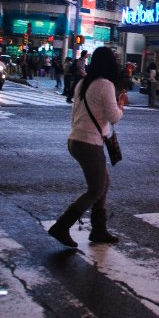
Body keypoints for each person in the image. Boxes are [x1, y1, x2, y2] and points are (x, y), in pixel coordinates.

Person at [48, 46, 129, 248]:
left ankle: (99, 229)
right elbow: (113, 117)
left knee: (103, 183)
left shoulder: (83, 82)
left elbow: (76, 113)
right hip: (89, 143)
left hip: (76, 139)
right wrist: (121, 104)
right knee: (95, 189)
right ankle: (62, 226)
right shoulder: (105, 85)